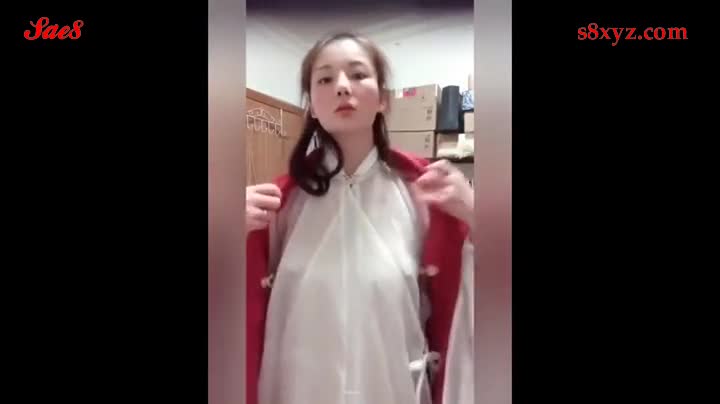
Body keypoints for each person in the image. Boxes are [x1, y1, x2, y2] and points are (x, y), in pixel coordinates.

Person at [246, 32, 474, 404]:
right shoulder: (279, 205)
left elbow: (472, 297)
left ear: (383, 99)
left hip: (392, 386)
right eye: (325, 78)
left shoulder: (424, 195)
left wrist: (478, 215)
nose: (342, 86)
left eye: (357, 74)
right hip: (297, 387)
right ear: (311, 106)